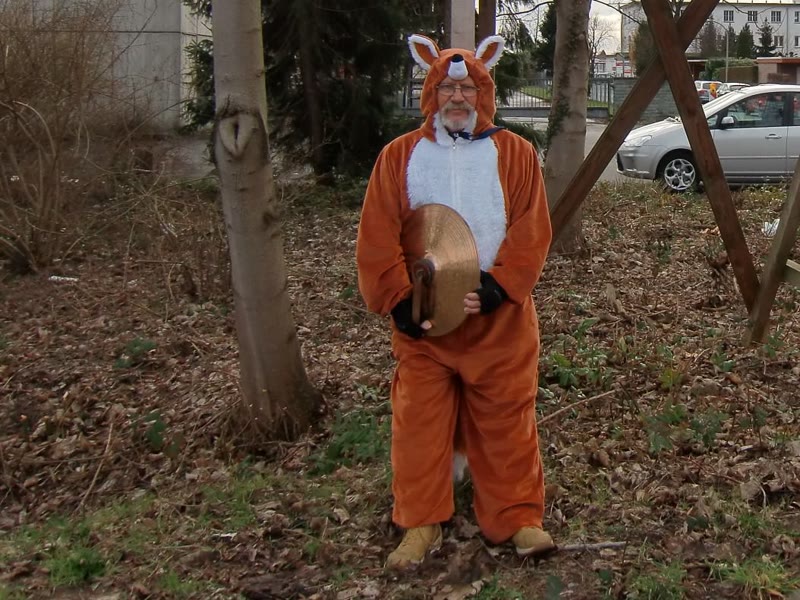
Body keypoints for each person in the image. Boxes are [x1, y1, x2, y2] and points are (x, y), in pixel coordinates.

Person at [356, 33, 554, 570]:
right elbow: (377, 234)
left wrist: (499, 287)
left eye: (468, 89)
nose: (458, 98)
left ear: (483, 94)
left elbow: (532, 230)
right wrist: (398, 300)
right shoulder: (399, 157)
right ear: (432, 93)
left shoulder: (515, 154)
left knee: (507, 421)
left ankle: (516, 516)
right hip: (425, 326)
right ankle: (420, 520)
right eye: (447, 88)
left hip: (498, 324)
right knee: (418, 422)